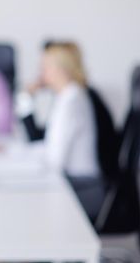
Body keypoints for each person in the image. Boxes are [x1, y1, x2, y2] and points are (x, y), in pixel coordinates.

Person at [16, 41, 103, 219]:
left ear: (61, 69)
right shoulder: (68, 96)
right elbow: (50, 147)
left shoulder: (71, 102)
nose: (40, 73)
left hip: (82, 188)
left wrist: (20, 157)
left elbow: (54, 161)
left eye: (45, 67)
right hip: (76, 183)